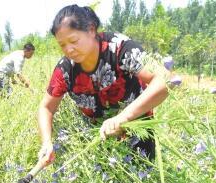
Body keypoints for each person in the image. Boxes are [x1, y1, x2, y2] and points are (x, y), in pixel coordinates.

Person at [37, 5, 170, 165]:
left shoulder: (120, 47)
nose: (69, 49)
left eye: (73, 41)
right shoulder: (66, 69)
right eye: (62, 45)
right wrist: (46, 142)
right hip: (98, 132)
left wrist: (123, 118)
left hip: (136, 122)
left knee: (142, 172)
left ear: (91, 30)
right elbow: (46, 108)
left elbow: (163, 81)